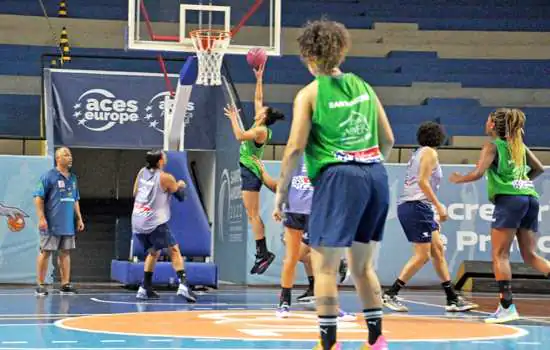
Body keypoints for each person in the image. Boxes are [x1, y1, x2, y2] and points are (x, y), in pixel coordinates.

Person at [273, 19, 395, 350]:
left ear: (307, 57)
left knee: (324, 266)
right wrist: (366, 162)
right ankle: (376, 340)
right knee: (363, 266)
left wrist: (281, 193)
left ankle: (328, 345)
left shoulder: (309, 94)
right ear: (342, 52)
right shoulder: (365, 87)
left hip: (339, 177)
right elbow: (388, 139)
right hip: (376, 175)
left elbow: (295, 147)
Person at [449, 108, 549, 324]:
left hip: (510, 200)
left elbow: (478, 173)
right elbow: (539, 168)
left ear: (493, 125)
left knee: (500, 255)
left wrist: (459, 179)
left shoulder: (492, 146)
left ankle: (506, 307)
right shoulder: (518, 146)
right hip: (529, 198)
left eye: (488, 120)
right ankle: (506, 307)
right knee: (531, 256)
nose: (485, 123)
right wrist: (520, 184)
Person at [382, 122, 478, 313]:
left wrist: (431, 210)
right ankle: (390, 294)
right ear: (439, 137)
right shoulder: (430, 153)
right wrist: (438, 205)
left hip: (419, 206)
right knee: (422, 255)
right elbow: (423, 182)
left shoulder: (419, 152)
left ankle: (452, 298)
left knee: (438, 251)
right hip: (416, 206)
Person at [255, 157, 353, 321]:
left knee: (320, 261)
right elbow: (283, 182)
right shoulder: (294, 153)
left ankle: (330, 305)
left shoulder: (326, 154)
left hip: (317, 211)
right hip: (295, 211)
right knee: (291, 258)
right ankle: (284, 303)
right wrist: (277, 206)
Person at [224, 63, 285, 275]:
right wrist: (259, 78)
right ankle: (263, 252)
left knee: (253, 214)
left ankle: (263, 253)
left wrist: (233, 118)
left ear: (264, 116)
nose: (259, 108)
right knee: (251, 213)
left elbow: (239, 136)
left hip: (251, 171)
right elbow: (258, 99)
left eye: (262, 110)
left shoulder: (260, 130)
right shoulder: (259, 123)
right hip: (249, 170)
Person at [131, 150, 196, 303]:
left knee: (154, 252)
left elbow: (135, 193)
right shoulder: (166, 177)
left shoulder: (141, 172)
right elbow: (181, 197)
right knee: (174, 249)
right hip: (153, 222)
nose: (165, 157)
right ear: (160, 161)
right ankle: (183, 285)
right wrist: (179, 185)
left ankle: (145, 287)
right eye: (163, 156)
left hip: (137, 221)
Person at [33, 147, 83, 296]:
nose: (70, 157)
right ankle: (40, 284)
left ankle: (65, 284)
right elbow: (38, 198)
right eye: (66, 155)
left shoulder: (73, 178)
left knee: (65, 253)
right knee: (45, 252)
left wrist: (79, 218)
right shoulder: (48, 176)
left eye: (70, 155)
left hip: (67, 223)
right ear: (58, 158)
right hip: (50, 223)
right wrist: (41, 218)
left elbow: (75, 200)